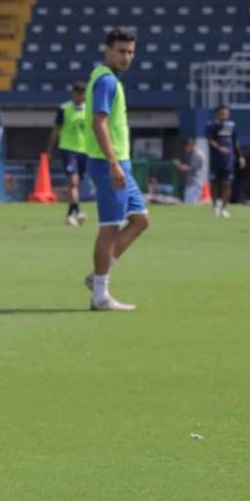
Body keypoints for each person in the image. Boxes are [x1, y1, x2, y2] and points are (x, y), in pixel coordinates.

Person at [83, 28, 149, 311]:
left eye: (131, 52)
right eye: (121, 51)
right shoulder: (107, 81)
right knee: (109, 228)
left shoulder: (107, 79)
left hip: (120, 163)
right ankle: (100, 295)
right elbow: (99, 123)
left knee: (141, 220)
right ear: (107, 50)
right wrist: (112, 164)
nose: (127, 57)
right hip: (108, 163)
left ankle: (99, 275)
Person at [47, 81, 88, 226]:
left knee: (76, 185)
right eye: (76, 94)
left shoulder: (89, 110)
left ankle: (69, 215)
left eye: (81, 94)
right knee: (73, 182)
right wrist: (50, 150)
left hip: (84, 150)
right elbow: (56, 130)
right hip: (68, 149)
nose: (79, 97)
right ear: (73, 94)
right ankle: (79, 212)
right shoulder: (64, 109)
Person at [205, 105, 246, 218]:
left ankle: (224, 208)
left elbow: (235, 142)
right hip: (215, 159)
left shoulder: (231, 126)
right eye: (222, 113)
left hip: (229, 159)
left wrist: (240, 157)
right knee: (215, 183)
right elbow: (209, 140)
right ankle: (214, 206)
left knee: (227, 183)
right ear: (217, 114)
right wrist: (219, 148)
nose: (225, 115)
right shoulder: (211, 126)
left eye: (226, 113)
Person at [172, 138, 205, 205]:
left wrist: (179, 165)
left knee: (192, 205)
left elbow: (191, 169)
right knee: (187, 205)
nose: (185, 148)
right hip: (190, 183)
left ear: (192, 145)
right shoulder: (193, 155)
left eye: (187, 146)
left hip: (195, 183)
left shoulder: (197, 155)